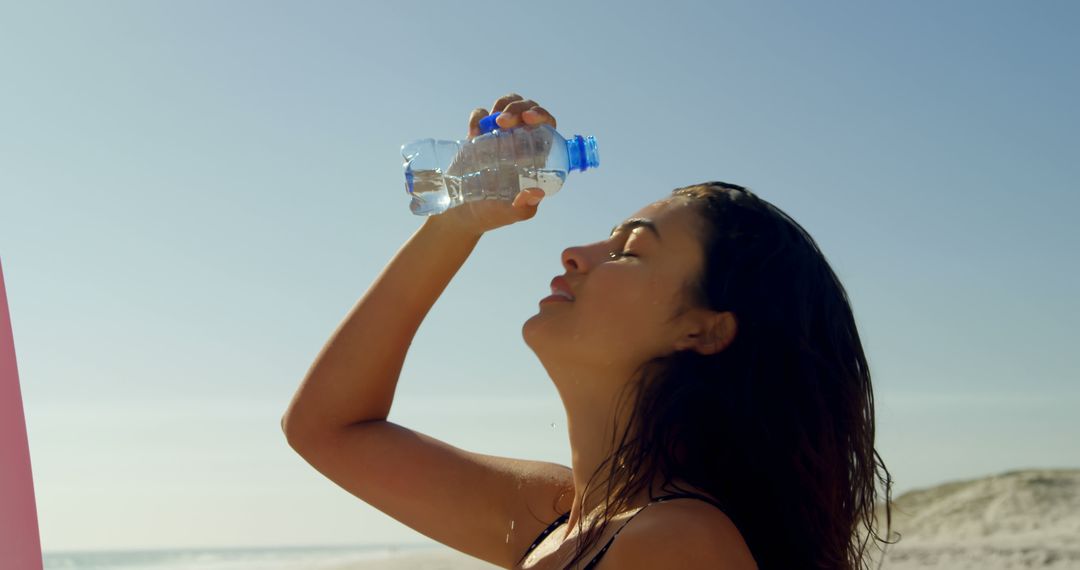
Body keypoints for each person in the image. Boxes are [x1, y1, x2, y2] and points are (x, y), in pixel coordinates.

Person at [282, 94, 895, 569]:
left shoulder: (675, 543)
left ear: (704, 330)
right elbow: (327, 428)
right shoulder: (565, 518)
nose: (576, 252)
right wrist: (459, 221)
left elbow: (330, 428)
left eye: (627, 250)